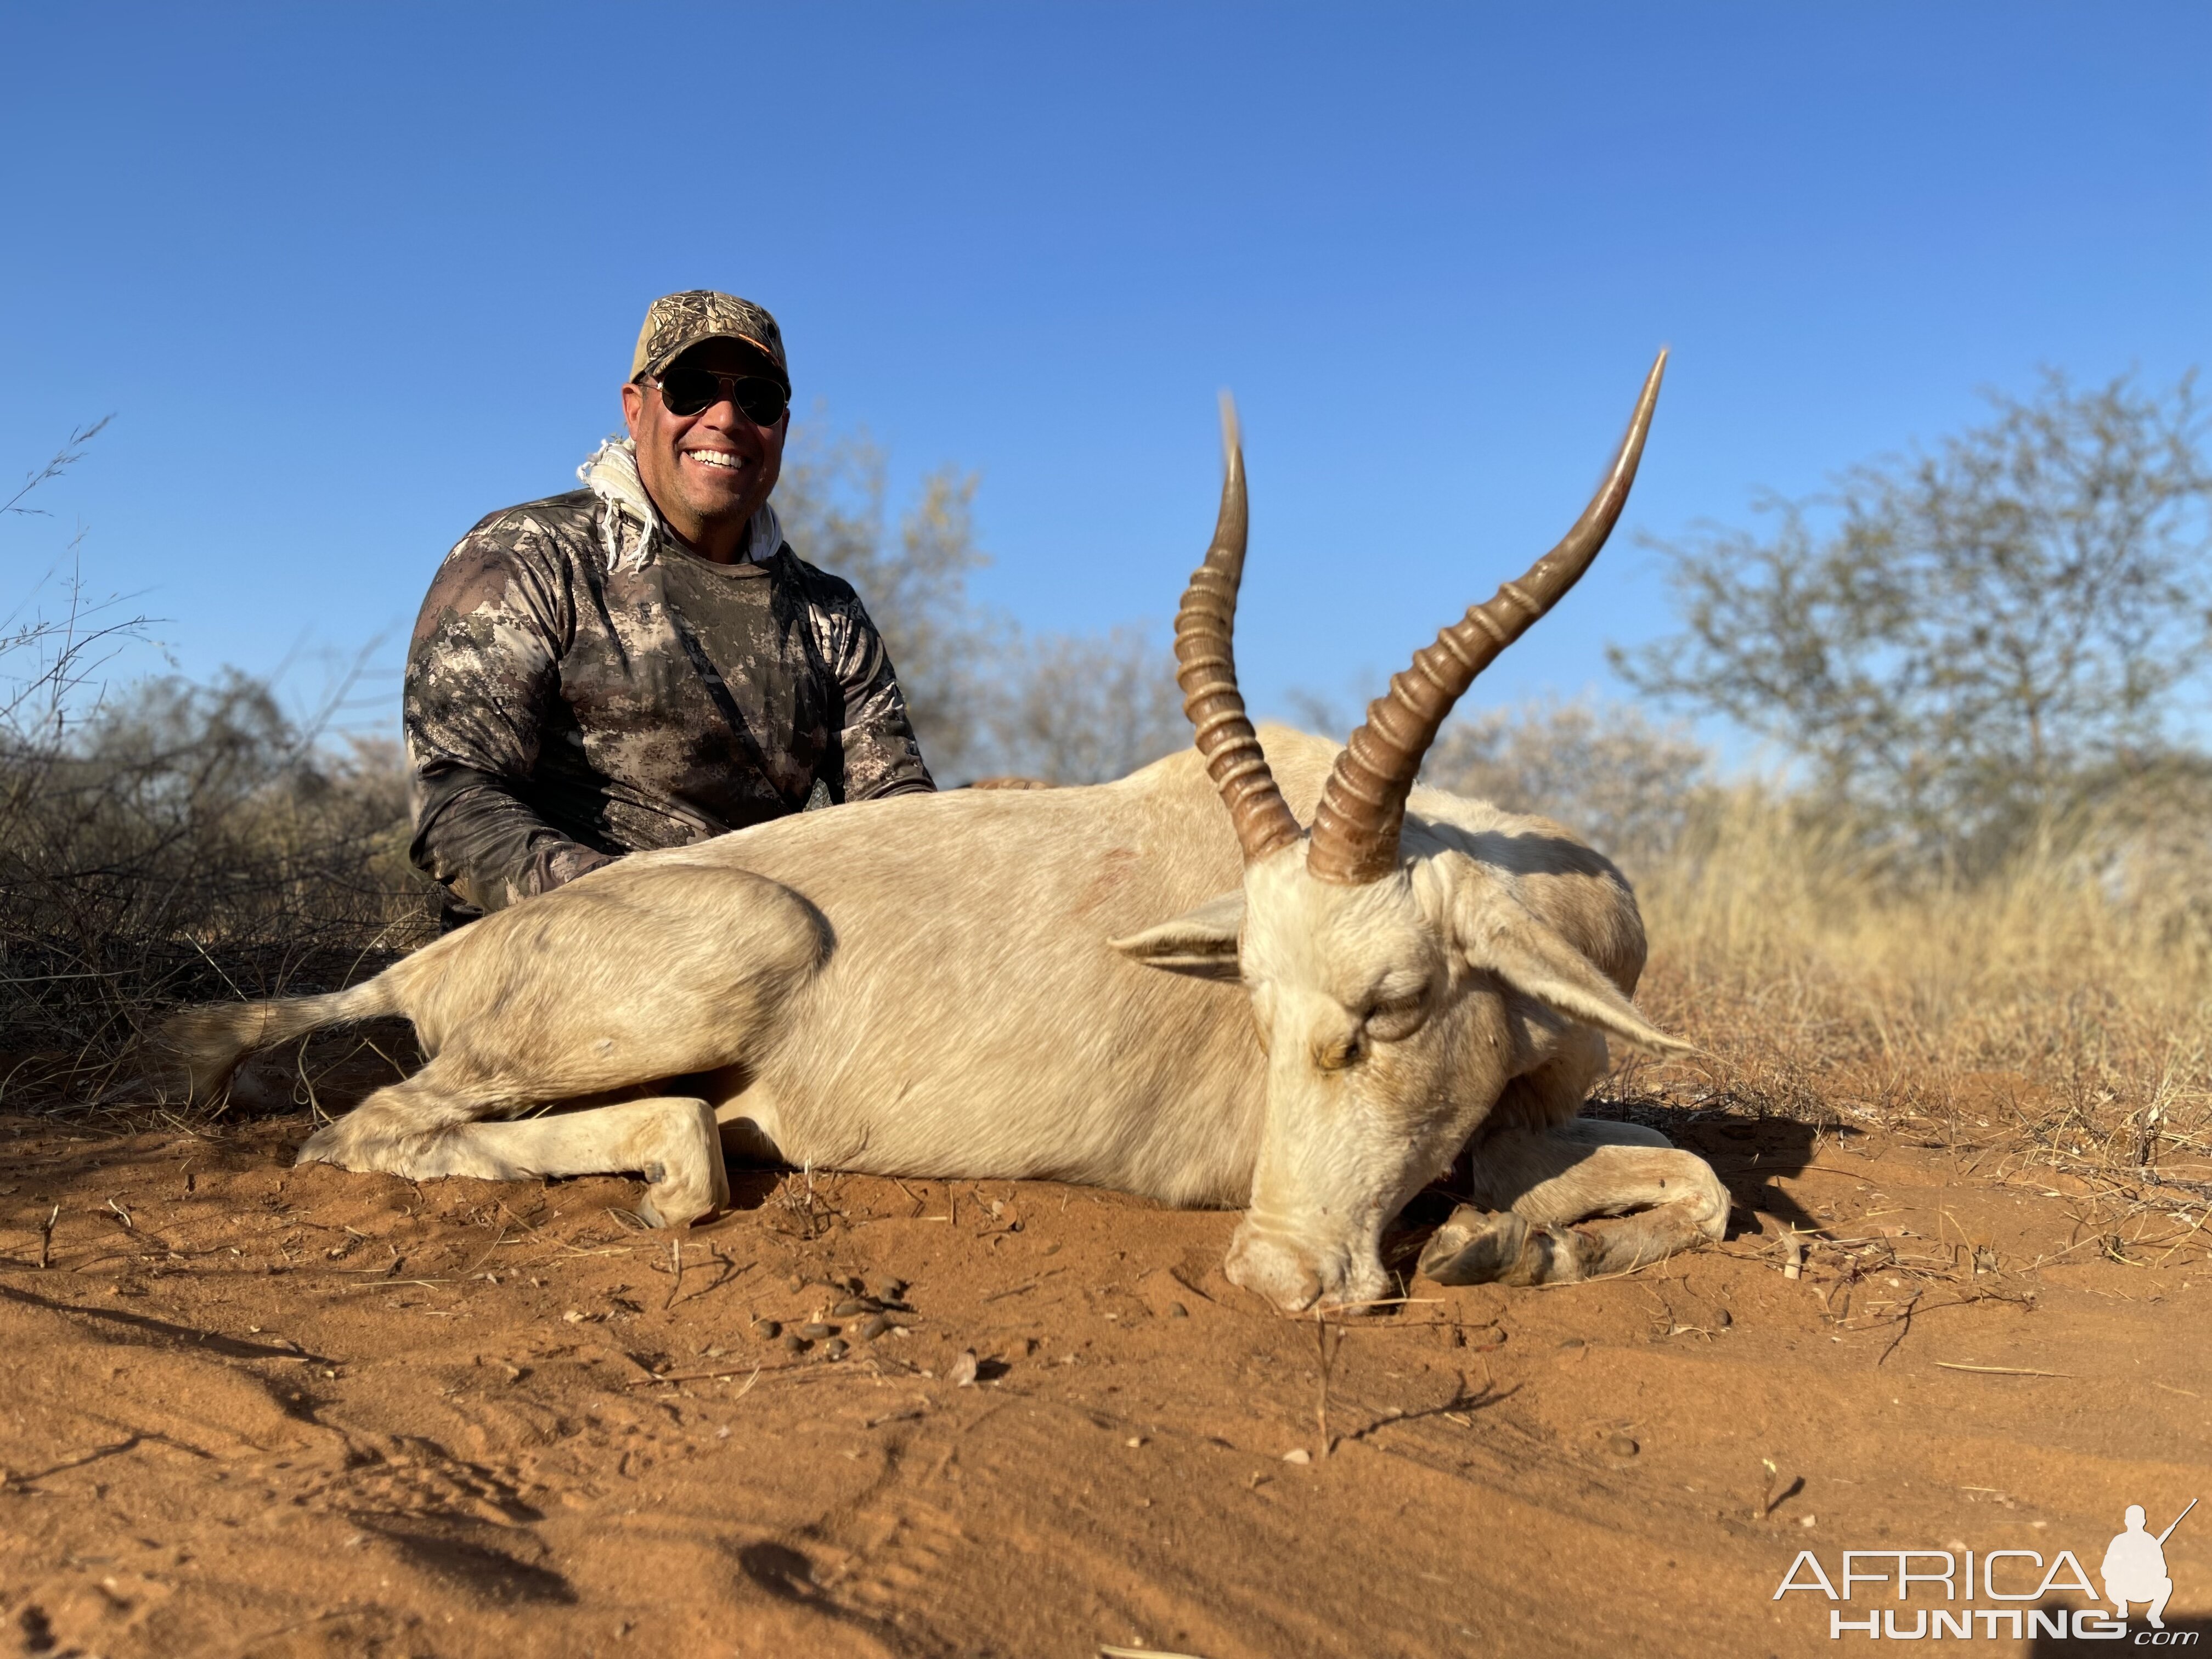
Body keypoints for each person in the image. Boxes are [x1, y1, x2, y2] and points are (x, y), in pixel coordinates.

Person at [404, 291, 935, 926]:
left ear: (783, 430)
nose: (726, 420)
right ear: (636, 409)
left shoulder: (831, 615)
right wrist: (650, 912)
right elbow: (454, 805)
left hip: (763, 960)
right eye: (690, 389)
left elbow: (901, 823)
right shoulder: (526, 556)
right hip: (550, 955)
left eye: (758, 398)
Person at [2102, 1504, 2176, 1629]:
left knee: (2166, 1583)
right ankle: (2122, 1606)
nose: (2134, 1523)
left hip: (2145, 1589)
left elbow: (2162, 1570)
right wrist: (2125, 1570)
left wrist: (2146, 1570)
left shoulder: (2151, 1542)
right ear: (2126, 1522)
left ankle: (2154, 1614)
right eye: (2132, 1520)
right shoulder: (2119, 1541)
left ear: (2143, 1522)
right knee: (2110, 1583)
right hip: (2123, 1589)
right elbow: (2106, 1570)